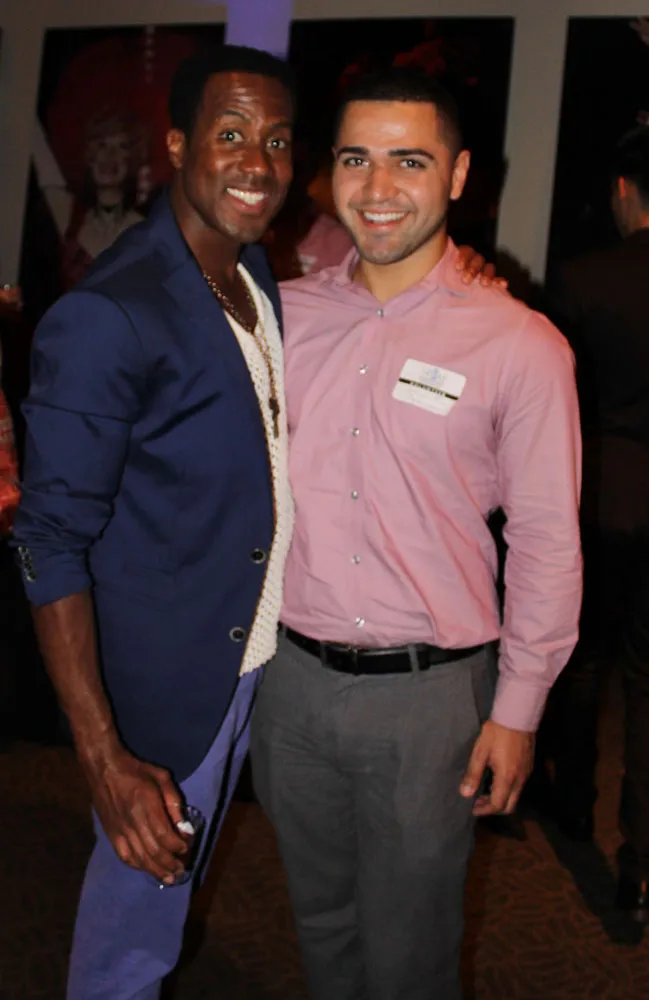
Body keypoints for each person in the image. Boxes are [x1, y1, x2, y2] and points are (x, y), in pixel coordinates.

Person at [250, 68, 582, 1000]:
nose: (378, 186)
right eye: (356, 158)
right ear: (328, 173)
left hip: (429, 703)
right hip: (290, 685)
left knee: (410, 952)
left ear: (458, 175)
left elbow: (546, 543)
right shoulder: (280, 317)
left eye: (410, 161)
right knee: (319, 923)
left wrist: (517, 711)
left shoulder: (519, 344)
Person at [13, 45, 297, 1000]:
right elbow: (47, 541)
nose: (257, 162)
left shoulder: (252, 273)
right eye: (231, 134)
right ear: (177, 145)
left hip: (244, 652)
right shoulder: (111, 313)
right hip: (165, 681)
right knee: (133, 933)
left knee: (167, 896)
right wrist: (104, 758)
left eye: (277, 140)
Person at [541, 126, 649, 922]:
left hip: (601, 497)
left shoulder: (584, 279)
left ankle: (572, 801)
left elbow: (556, 404)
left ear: (622, 192)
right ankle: (639, 861)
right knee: (648, 682)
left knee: (583, 659)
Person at [33, 111, 146, 290]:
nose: (110, 155)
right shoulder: (71, 217)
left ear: (131, 161)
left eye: (122, 146)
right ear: (90, 157)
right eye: (102, 145)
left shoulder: (145, 231)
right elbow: (39, 150)